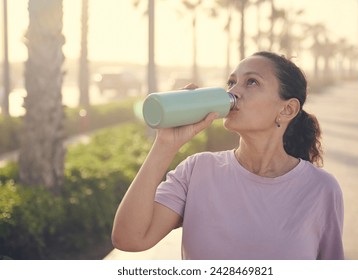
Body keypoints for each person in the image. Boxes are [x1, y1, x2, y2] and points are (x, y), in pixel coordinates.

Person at [112, 51, 344, 260]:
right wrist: (164, 145)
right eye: (231, 82)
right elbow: (129, 239)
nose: (233, 91)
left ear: (287, 109)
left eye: (251, 82)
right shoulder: (197, 170)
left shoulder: (321, 189)